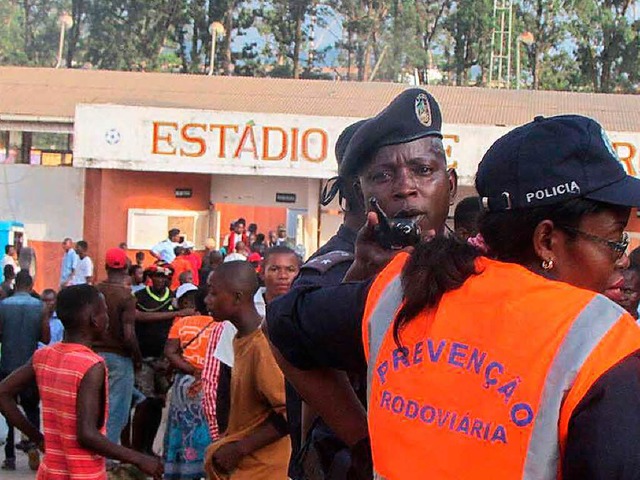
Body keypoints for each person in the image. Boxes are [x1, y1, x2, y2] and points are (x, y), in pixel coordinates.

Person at [266, 114, 640, 479]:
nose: (621, 256)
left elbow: (281, 323)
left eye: (423, 171)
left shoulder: (402, 290)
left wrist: (365, 443)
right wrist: (363, 440)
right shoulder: (606, 344)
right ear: (546, 241)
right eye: (614, 238)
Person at [290, 92, 455, 479]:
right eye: (383, 176)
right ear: (361, 195)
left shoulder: (483, 272)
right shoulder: (342, 270)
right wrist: (366, 444)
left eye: (423, 170)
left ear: (451, 183)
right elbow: (288, 338)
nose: (405, 188)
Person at [0, 285, 164, 479]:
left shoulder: (43, 355)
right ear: (94, 319)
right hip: (84, 473)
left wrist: (38, 438)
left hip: (50, 472)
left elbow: (3, 393)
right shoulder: (91, 364)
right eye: (104, 312)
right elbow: (87, 434)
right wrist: (139, 459)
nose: (108, 318)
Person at [203, 261, 290, 480]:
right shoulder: (240, 339)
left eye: (213, 294)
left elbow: (289, 412)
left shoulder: (262, 347)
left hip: (265, 470)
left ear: (237, 297)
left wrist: (240, 449)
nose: (207, 301)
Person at [133, 265, 193, 455]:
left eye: (165, 277)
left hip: (164, 359)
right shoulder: (140, 296)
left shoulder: (173, 298)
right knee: (144, 403)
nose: (161, 280)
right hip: (144, 357)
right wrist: (175, 314)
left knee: (158, 403)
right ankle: (137, 448)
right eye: (158, 276)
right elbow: (138, 316)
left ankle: (149, 447)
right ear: (151, 277)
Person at [163, 283, 220, 479]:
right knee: (208, 427)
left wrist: (191, 369)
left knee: (182, 428)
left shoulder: (182, 323)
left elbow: (170, 352)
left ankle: (178, 471)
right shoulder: (221, 326)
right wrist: (204, 372)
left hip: (184, 384)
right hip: (211, 383)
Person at [0, 271, 49, 470]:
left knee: (8, 409)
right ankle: (33, 447)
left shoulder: (3, 306)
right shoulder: (40, 307)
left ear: (15, 285)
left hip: (7, 365)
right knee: (31, 409)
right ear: (31, 285)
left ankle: (10, 456)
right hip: (30, 365)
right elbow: (45, 338)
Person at [95, 248, 142, 445]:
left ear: (106, 267)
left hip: (93, 355)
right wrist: (137, 358)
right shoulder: (126, 296)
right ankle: (107, 458)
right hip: (119, 358)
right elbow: (129, 334)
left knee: (95, 408)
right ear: (126, 269)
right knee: (116, 412)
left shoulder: (95, 291)